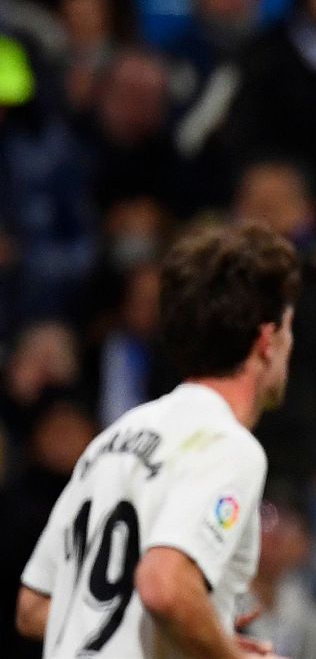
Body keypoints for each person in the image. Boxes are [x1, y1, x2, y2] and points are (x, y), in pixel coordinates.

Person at [14, 222, 300, 658]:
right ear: (266, 340)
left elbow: (33, 607)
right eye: (289, 329)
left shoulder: (114, 438)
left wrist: (202, 634)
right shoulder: (228, 447)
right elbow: (164, 585)